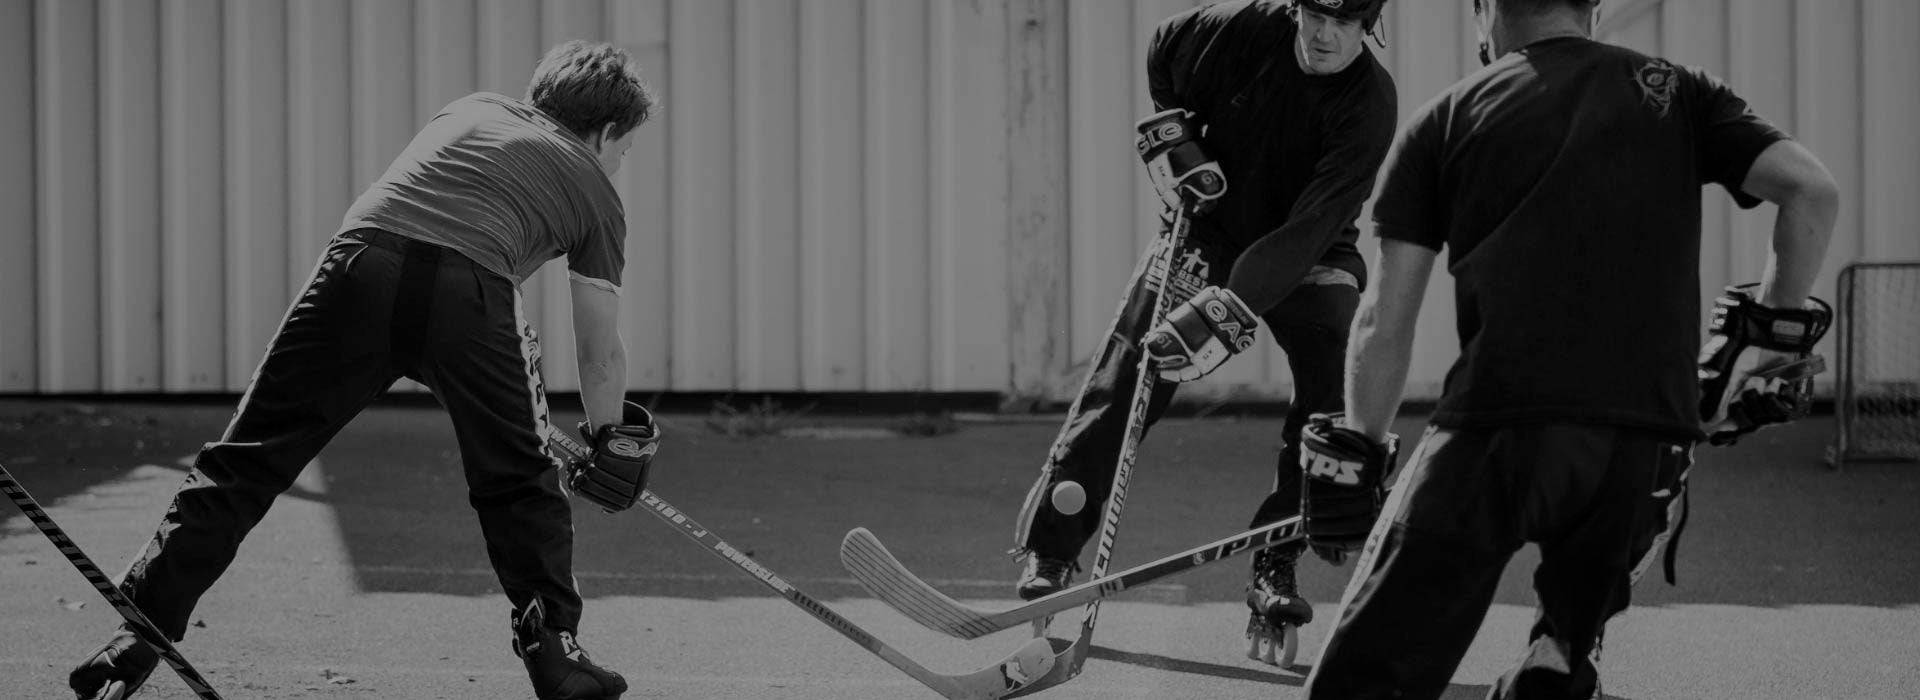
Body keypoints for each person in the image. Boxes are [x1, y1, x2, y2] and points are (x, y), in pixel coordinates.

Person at [67, 40, 662, 700]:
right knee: (519, 480)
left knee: (248, 458)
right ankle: (555, 654)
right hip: (472, 291)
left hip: (362, 263)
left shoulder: (470, 109)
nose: (620, 164)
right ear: (605, 132)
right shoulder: (597, 194)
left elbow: (431, 224)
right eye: (625, 149)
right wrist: (608, 437)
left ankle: (136, 634)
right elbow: (598, 351)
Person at [1305, 0, 1839, 697]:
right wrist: (1770, 338)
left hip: (1495, 433)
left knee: (1364, 685)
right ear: (1595, 9)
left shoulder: (1446, 117)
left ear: (1483, 12)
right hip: (1639, 445)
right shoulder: (1678, 93)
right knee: (1557, 664)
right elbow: (1811, 191)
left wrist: (1360, 448)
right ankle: (1556, 656)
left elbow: (1384, 318)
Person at [1009, 0, 1399, 664]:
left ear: (1370, 26)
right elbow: (1164, 48)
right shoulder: (1243, 27)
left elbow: (1314, 222)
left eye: (1345, 22)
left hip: (1307, 250)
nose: (1325, 34)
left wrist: (1232, 306)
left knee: (1330, 394)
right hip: (1209, 230)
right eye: (1316, 14)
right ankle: (1053, 546)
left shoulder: (1369, 103)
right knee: (1132, 372)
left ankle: (1276, 558)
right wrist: (1180, 135)